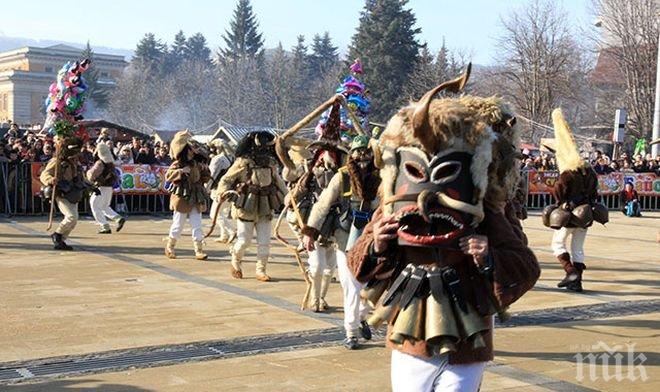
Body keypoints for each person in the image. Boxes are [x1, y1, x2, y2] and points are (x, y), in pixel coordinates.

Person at [347, 70, 540, 392]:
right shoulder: (393, 207)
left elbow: (525, 267)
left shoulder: (488, 211)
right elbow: (358, 265)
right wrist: (377, 244)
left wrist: (488, 256)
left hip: (470, 335)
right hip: (411, 332)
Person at [301, 135, 381, 349]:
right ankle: (351, 331)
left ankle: (362, 316)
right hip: (346, 239)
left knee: (373, 287)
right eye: (358, 151)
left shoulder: (382, 177)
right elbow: (323, 205)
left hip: (375, 241)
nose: (362, 156)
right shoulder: (342, 177)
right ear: (351, 154)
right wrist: (310, 232)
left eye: (367, 151)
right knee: (352, 287)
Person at [544, 109, 607, 293]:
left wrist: (558, 200)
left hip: (570, 214)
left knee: (557, 244)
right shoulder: (590, 173)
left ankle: (570, 272)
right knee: (578, 249)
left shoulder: (568, 173)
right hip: (585, 213)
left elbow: (559, 191)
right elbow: (595, 193)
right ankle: (577, 282)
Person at [215, 131, 287, 281]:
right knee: (244, 241)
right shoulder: (243, 162)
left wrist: (288, 197)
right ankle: (235, 260)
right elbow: (226, 179)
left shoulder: (271, 164)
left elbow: (278, 181)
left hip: (265, 205)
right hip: (246, 206)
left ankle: (261, 270)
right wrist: (221, 192)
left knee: (264, 242)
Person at [164, 131, 211, 260]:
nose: (194, 150)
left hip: (196, 196)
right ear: (186, 150)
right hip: (183, 197)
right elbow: (168, 176)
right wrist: (180, 171)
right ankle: (170, 247)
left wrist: (205, 170)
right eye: (191, 148)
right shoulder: (178, 164)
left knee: (197, 224)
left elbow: (204, 177)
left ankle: (199, 250)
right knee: (178, 224)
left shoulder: (196, 163)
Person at [39, 136, 87, 250]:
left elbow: (81, 177)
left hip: (73, 192)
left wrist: (90, 185)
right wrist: (50, 179)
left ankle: (61, 239)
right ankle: (57, 234)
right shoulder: (57, 161)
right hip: (62, 191)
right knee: (71, 217)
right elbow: (44, 174)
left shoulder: (75, 162)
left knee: (74, 220)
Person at [86, 142, 126, 233]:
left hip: (100, 187)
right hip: (109, 188)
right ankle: (118, 218)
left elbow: (91, 175)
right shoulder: (111, 164)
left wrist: (88, 173)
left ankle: (105, 226)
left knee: (95, 206)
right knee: (104, 206)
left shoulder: (100, 163)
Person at [207, 139, 236, 243]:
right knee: (223, 212)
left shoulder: (218, 159)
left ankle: (231, 231)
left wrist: (206, 188)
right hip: (231, 189)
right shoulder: (232, 158)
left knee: (214, 214)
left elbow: (212, 176)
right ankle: (224, 236)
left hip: (219, 189)